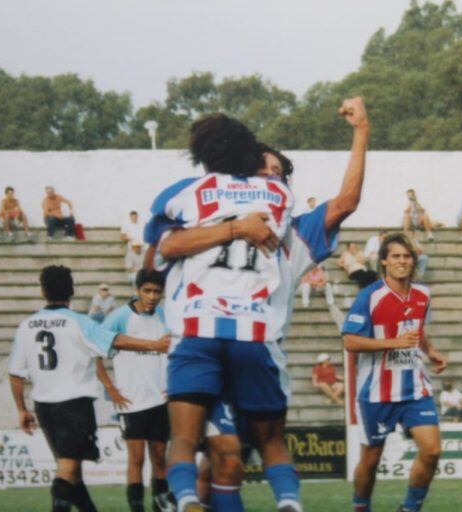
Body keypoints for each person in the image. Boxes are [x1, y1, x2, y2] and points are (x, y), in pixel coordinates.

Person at [147, 97, 369, 512]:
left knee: (230, 461)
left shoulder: (296, 237)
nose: (270, 175)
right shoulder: (207, 216)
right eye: (263, 169)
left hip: (252, 345)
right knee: (225, 460)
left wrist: (360, 132)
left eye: (279, 173)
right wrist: (231, 228)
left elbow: (346, 202)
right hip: (214, 339)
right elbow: (161, 252)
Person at [8, 265, 169, 512]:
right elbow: (116, 340)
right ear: (72, 292)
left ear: (42, 292)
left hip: (43, 407)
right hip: (73, 404)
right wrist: (154, 346)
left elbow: (16, 373)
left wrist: (21, 409)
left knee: (72, 472)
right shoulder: (79, 323)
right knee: (68, 469)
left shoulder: (26, 326)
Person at [342, 233, 447, 512]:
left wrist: (431, 350)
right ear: (384, 261)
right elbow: (350, 341)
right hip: (376, 392)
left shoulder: (424, 295)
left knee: (432, 450)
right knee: (371, 460)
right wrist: (393, 343)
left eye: (407, 256)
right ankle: (361, 507)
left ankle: (410, 509)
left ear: (413, 261)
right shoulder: (370, 296)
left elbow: (417, 331)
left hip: (414, 388)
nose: (402, 261)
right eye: (396, 256)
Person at [95, 270, 172, 512]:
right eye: (147, 291)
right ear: (137, 290)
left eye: (157, 291)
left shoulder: (165, 316)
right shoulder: (119, 317)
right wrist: (110, 387)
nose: (152, 296)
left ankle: (160, 508)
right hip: (132, 401)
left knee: (160, 458)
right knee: (136, 459)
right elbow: (94, 352)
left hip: (160, 400)